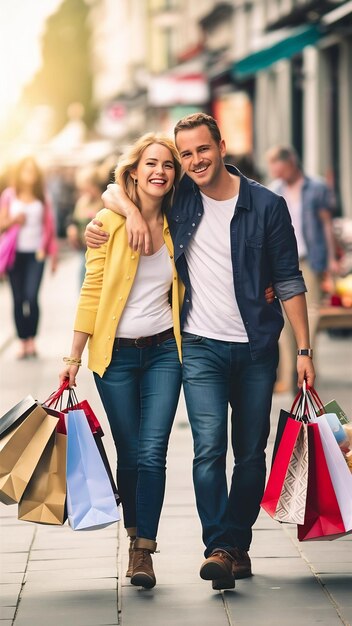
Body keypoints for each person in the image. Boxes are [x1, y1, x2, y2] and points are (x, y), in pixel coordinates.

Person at [85, 113, 315, 591]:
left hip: (256, 348)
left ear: (221, 146)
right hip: (200, 346)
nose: (193, 161)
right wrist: (122, 214)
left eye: (200, 150)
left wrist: (304, 349)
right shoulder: (181, 197)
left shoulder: (266, 205)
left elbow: (290, 279)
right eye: (184, 154)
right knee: (208, 450)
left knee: (251, 453)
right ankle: (218, 548)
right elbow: (119, 188)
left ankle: (237, 543)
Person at [59, 133, 183, 590]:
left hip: (166, 351)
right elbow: (91, 291)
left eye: (168, 165)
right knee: (129, 453)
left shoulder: (179, 218)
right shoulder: (106, 223)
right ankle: (134, 533)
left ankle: (142, 550)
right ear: (134, 171)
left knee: (153, 452)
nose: (160, 171)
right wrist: (73, 355)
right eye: (151, 163)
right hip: (115, 358)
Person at [266, 146, 338, 393]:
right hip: (283, 261)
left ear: (291, 163)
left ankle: (306, 363)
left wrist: (331, 259)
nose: (277, 174)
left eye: (280, 168)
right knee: (285, 321)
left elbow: (326, 225)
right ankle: (288, 376)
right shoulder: (274, 190)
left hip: (310, 260)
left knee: (312, 316)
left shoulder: (316, 187)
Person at [0, 156, 58, 358]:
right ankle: (23, 341)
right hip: (15, 255)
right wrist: (14, 220)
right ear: (19, 172)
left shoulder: (43, 195)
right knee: (17, 299)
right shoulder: (9, 195)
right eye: (26, 170)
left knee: (32, 297)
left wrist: (53, 255)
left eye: (33, 171)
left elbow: (50, 227)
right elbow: (1, 225)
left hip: (37, 254)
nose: (29, 175)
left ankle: (32, 339)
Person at [66, 165, 104, 286]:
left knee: (87, 278)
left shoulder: (104, 201)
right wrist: (71, 228)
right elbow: (73, 219)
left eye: (86, 188)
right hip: (83, 248)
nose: (84, 192)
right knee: (83, 277)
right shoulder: (82, 201)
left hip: (99, 249)